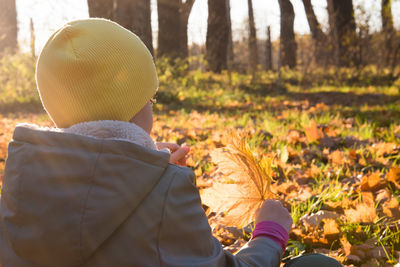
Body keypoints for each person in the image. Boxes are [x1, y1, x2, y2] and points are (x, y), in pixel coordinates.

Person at [0, 19, 341, 267]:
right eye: (150, 98)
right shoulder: (166, 192)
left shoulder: (21, 183)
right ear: (138, 107)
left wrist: (144, 165)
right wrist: (269, 235)